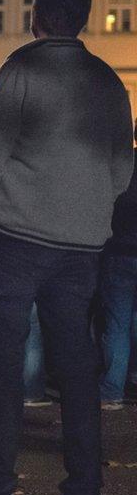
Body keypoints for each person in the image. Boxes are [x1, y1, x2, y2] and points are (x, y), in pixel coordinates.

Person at [0, 0, 135, 495]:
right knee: (77, 374)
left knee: (3, 373)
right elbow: (122, 168)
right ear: (84, 19)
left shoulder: (21, 69)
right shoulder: (108, 83)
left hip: (13, 241)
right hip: (80, 248)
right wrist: (90, 213)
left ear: (37, 16)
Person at [99, 121, 137, 411]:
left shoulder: (120, 166)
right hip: (123, 251)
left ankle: (112, 390)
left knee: (117, 325)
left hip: (120, 251)